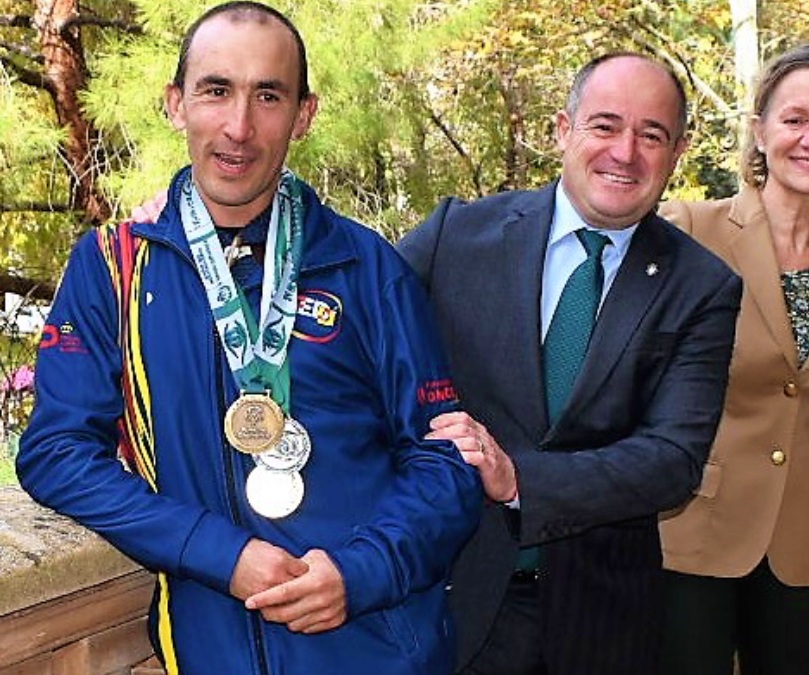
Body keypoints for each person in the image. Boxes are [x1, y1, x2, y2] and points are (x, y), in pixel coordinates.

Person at [17, 3, 481, 674]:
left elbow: (446, 458)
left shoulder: (367, 266)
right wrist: (215, 551)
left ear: (304, 114)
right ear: (176, 103)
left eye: (268, 95)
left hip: (379, 646)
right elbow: (57, 451)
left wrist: (361, 572)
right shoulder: (112, 270)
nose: (239, 127)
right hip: (212, 650)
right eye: (216, 90)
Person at [397, 53, 742, 675]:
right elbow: (349, 311)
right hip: (448, 594)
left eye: (652, 134)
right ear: (563, 130)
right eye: (605, 126)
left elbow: (673, 460)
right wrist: (198, 219)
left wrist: (518, 479)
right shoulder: (457, 235)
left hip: (598, 619)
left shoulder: (702, 286)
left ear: (678, 151)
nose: (626, 152)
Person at [655, 42, 809, 675]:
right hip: (693, 533)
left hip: (804, 542)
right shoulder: (687, 232)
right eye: (794, 119)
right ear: (759, 132)